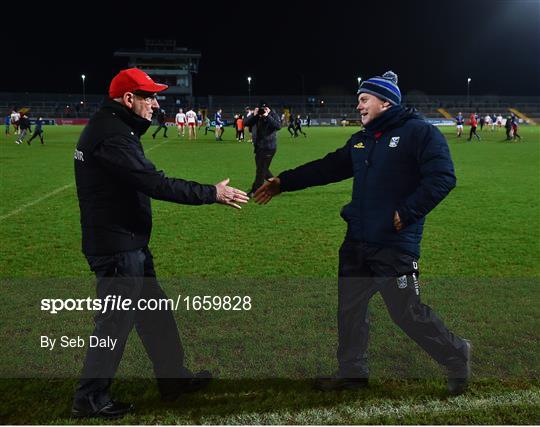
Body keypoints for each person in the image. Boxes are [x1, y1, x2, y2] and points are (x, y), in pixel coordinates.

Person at [254, 71, 471, 396]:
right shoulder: (362, 139)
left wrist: (406, 212)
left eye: (364, 99)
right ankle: (353, 371)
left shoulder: (420, 134)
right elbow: (328, 167)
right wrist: (283, 181)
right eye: (358, 100)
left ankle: (457, 355)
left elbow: (443, 177)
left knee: (407, 313)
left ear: (386, 101)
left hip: (394, 243)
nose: (359, 106)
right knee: (350, 310)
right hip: (357, 241)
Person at [72, 68, 249, 419]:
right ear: (128, 99)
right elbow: (155, 183)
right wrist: (211, 193)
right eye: (149, 96)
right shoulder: (113, 135)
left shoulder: (113, 127)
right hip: (118, 246)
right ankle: (89, 397)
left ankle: (173, 380)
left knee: (156, 316)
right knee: (113, 322)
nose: (155, 103)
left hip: (128, 241)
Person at [244, 102, 281, 197]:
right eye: (261, 108)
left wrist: (267, 115)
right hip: (259, 147)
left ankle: (255, 191)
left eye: (264, 108)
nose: (262, 110)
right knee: (263, 169)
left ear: (268, 108)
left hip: (269, 147)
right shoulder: (257, 116)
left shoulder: (273, 114)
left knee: (260, 170)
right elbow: (246, 123)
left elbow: (278, 126)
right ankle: (278, 185)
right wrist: (254, 114)